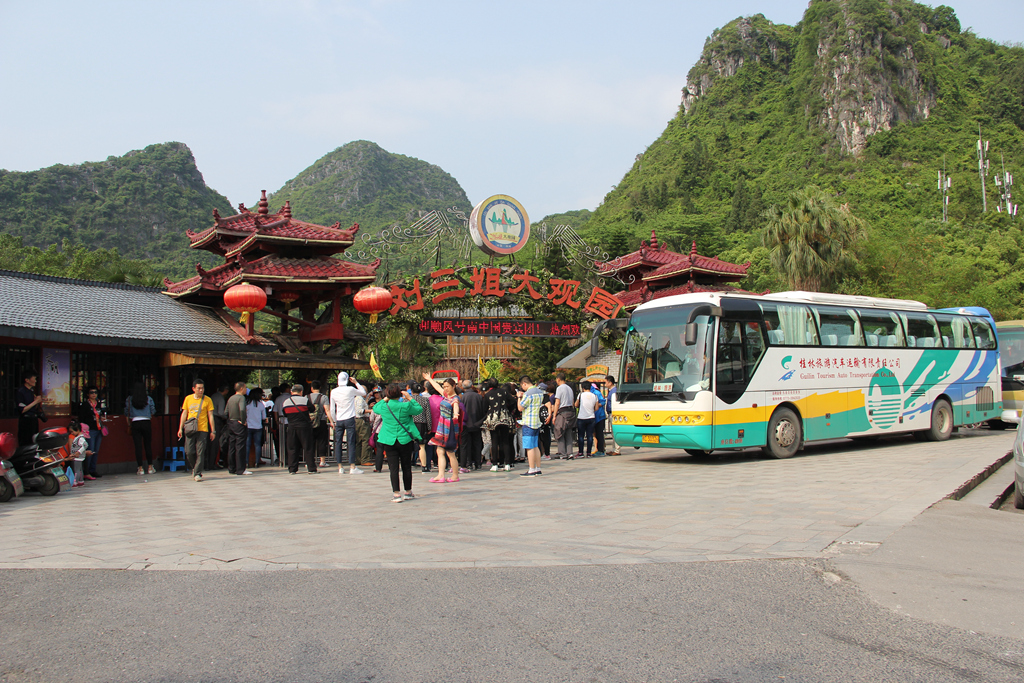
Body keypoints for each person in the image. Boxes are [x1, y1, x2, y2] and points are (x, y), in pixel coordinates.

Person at [373, 382, 423, 503]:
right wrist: (410, 398)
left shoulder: (384, 407)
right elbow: (419, 409)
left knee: (393, 468)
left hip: (389, 439)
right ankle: (408, 492)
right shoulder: (405, 406)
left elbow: (375, 408)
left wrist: (386, 398)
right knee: (406, 467)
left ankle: (396, 494)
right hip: (405, 439)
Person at [423, 373, 460, 483]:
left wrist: (456, 414)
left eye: (447, 386)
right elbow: (437, 387)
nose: (445, 389)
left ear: (453, 386)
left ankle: (455, 475)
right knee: (439, 451)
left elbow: (456, 407)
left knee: (450, 452)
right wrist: (429, 379)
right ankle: (441, 475)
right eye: (444, 387)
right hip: (441, 426)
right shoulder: (445, 395)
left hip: (450, 427)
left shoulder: (455, 398)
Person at [177, 379, 216, 482]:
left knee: (200, 451)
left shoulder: (207, 400)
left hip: (202, 429)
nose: (201, 390)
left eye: (202, 388)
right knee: (189, 451)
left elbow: (210, 416)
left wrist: (213, 430)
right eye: (198, 388)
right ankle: (195, 468)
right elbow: (184, 413)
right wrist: (180, 428)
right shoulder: (188, 399)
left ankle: (197, 473)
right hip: (190, 428)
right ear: (193, 389)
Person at [329, 371, 367, 475]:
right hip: (349, 418)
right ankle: (352, 466)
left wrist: (334, 420)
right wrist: (356, 382)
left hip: (339, 419)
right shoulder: (350, 389)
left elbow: (332, 408)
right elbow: (363, 392)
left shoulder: (333, 391)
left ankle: (340, 467)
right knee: (351, 442)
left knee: (338, 443)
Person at [281, 384, 316, 474]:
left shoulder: (286, 402)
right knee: (308, 447)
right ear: (301, 392)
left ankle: (292, 469)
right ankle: (311, 468)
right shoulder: (305, 400)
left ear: (291, 392)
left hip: (292, 427)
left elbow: (285, 414)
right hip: (304, 427)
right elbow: (312, 409)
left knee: (292, 448)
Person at [124, 381, 156, 475]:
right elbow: (153, 411)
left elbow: (126, 412)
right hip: (146, 422)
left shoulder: (130, 399)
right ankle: (150, 467)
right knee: (148, 445)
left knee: (138, 446)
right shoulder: (148, 399)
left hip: (135, 422)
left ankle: (140, 468)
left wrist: (129, 423)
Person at [484, 379, 516, 471]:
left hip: (493, 418)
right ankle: (507, 463)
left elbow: (484, 408)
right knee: (505, 441)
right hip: (504, 417)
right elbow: (513, 401)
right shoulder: (504, 392)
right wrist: (507, 409)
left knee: (494, 441)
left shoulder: (487, 394)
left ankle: (495, 464)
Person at [517, 375, 545, 476]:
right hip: (536, 422)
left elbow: (520, 408)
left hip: (528, 422)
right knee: (535, 446)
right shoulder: (539, 392)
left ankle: (531, 469)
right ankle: (538, 468)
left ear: (524, 383)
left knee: (529, 447)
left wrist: (519, 397)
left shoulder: (528, 394)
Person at [79, 385, 106, 480]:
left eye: (95, 392)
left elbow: (100, 414)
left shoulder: (98, 404)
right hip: (89, 430)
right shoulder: (85, 405)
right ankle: (86, 471)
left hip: (98, 429)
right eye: (91, 392)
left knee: (96, 451)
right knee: (90, 450)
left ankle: (92, 469)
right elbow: (81, 418)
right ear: (87, 394)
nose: (94, 394)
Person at [458, 379, 485, 472]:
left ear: (463, 387)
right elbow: (483, 410)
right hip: (477, 423)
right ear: (472, 385)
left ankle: (469, 463)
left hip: (466, 424)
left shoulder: (462, 397)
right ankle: (478, 463)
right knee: (477, 444)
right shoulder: (479, 396)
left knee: (467, 444)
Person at [226, 381, 250, 475]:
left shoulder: (231, 398)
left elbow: (225, 412)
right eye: (245, 388)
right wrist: (243, 420)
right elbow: (242, 409)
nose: (246, 390)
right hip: (239, 423)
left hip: (231, 422)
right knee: (240, 446)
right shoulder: (241, 398)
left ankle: (231, 468)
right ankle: (240, 469)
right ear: (241, 388)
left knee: (232, 446)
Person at [550, 372, 576, 459]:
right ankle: (570, 452)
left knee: (559, 432)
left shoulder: (560, 388)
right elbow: (572, 402)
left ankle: (562, 453)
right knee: (568, 433)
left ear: (558, 379)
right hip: (570, 411)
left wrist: (554, 416)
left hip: (562, 412)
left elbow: (557, 402)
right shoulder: (569, 388)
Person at [16, 370, 44, 447]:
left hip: (33, 419)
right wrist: (35, 402)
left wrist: (37, 401)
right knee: (26, 442)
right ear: (27, 380)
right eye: (34, 379)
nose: (35, 381)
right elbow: (23, 410)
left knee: (34, 441)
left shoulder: (31, 391)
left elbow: (33, 407)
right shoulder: (21, 391)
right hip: (26, 420)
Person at [409, 381, 432, 472]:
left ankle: (408, 464)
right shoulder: (425, 400)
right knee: (422, 445)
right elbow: (428, 415)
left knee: (408, 445)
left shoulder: (407, 400)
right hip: (421, 423)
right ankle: (424, 466)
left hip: (410, 423)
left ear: (411, 390)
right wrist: (429, 427)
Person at [574, 380, 600, 458]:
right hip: (591, 417)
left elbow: (576, 405)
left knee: (581, 436)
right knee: (590, 436)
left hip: (581, 417)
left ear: (583, 387)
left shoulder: (580, 395)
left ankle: (581, 452)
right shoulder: (594, 396)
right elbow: (596, 408)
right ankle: (589, 452)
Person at [308, 380, 330, 469]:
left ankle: (310, 461)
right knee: (322, 441)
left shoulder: (306, 397)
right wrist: (332, 421)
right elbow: (327, 410)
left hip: (310, 422)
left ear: (311, 388)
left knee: (310, 442)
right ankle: (322, 461)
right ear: (320, 387)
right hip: (321, 421)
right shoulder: (323, 397)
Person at [246, 388, 268, 466]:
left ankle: (247, 462)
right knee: (257, 445)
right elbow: (264, 417)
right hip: (258, 427)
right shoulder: (260, 404)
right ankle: (257, 462)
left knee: (247, 445)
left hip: (248, 426)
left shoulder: (247, 404)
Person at [210, 384, 230, 469]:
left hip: (210, 418)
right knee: (215, 442)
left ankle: (209, 462)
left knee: (211, 442)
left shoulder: (213, 396)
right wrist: (227, 417)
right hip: (216, 420)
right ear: (225, 390)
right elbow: (221, 412)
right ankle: (213, 463)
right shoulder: (221, 398)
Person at [66, 421, 89, 488]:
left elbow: (85, 445)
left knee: (76, 470)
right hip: (78, 456)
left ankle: (75, 481)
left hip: (78, 456)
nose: (72, 433)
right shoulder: (78, 437)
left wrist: (78, 452)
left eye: (72, 431)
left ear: (77, 430)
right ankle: (80, 481)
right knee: (80, 469)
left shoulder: (80, 438)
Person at [604, 375, 621, 456]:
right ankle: (614, 449)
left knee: (614, 432)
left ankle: (617, 449)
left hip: (613, 413)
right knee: (613, 432)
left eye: (606, 382)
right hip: (611, 412)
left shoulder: (614, 391)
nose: (605, 384)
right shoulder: (611, 391)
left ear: (610, 382)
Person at [591, 380, 607, 456]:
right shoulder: (590, 393)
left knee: (599, 434)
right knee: (596, 434)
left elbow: (603, 402)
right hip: (594, 416)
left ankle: (601, 450)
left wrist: (596, 405)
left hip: (599, 416)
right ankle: (598, 449)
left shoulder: (596, 393)